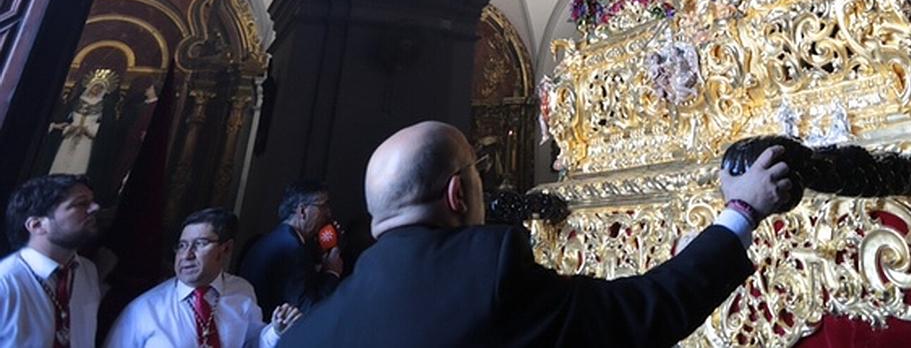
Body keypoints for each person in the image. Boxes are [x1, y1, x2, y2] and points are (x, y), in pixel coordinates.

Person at [280, 121, 795, 348]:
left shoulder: (306, 334)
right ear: (458, 193)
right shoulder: (488, 273)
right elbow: (643, 312)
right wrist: (742, 209)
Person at [104, 207, 301, 347]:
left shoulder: (241, 291)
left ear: (226, 249)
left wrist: (275, 331)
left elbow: (251, 342)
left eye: (199, 244)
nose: (187, 255)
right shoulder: (144, 310)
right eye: (182, 245)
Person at [0, 174, 102, 348]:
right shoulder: (5, 282)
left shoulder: (87, 271)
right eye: (81, 203)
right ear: (37, 225)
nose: (95, 207)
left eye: (92, 201)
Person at [236, 180, 342, 317]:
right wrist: (332, 273)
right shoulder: (293, 250)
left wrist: (320, 256)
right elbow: (307, 311)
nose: (328, 213)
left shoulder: (277, 239)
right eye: (323, 206)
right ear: (302, 211)